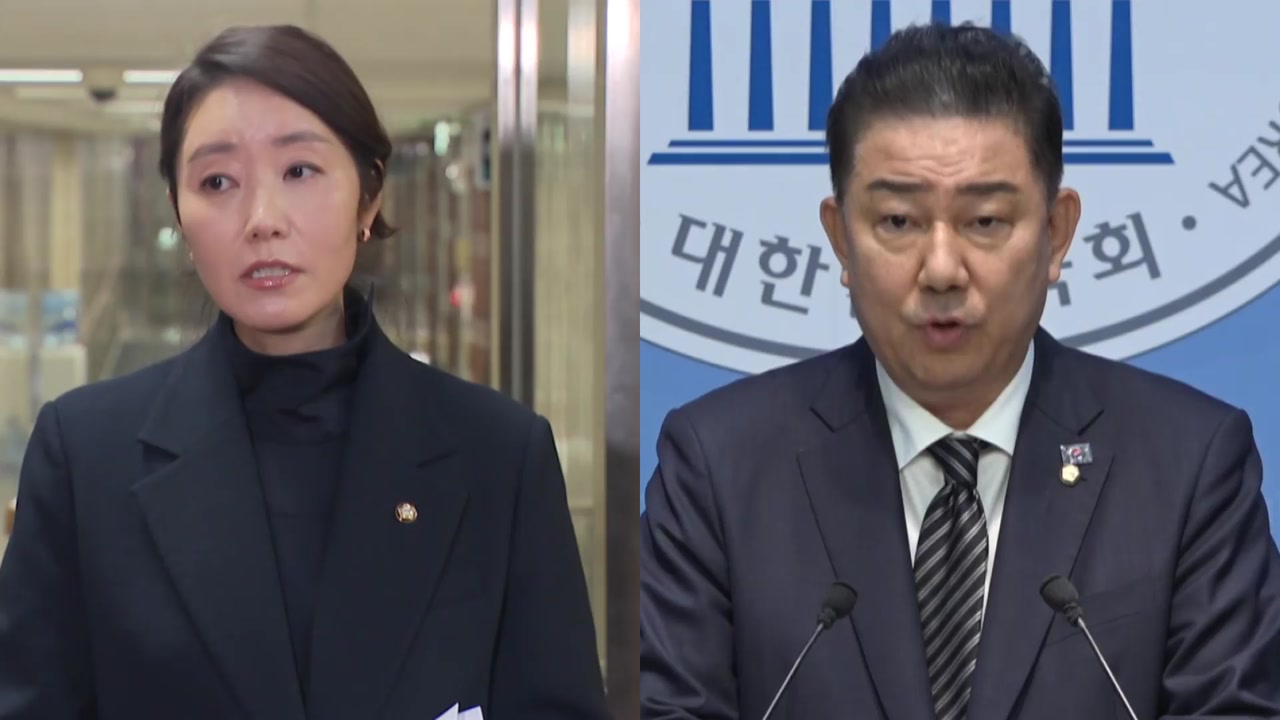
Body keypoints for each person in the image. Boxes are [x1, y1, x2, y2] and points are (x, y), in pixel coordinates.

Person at [640, 22, 1280, 720]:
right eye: (898, 222)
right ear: (841, 238)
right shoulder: (720, 469)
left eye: (984, 221)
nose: (942, 270)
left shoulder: (1188, 464)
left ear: (1056, 233)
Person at [0, 25, 609, 720]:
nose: (262, 220)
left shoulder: (498, 454)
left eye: (299, 171)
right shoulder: (86, 457)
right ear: (179, 213)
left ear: (368, 198)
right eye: (217, 182)